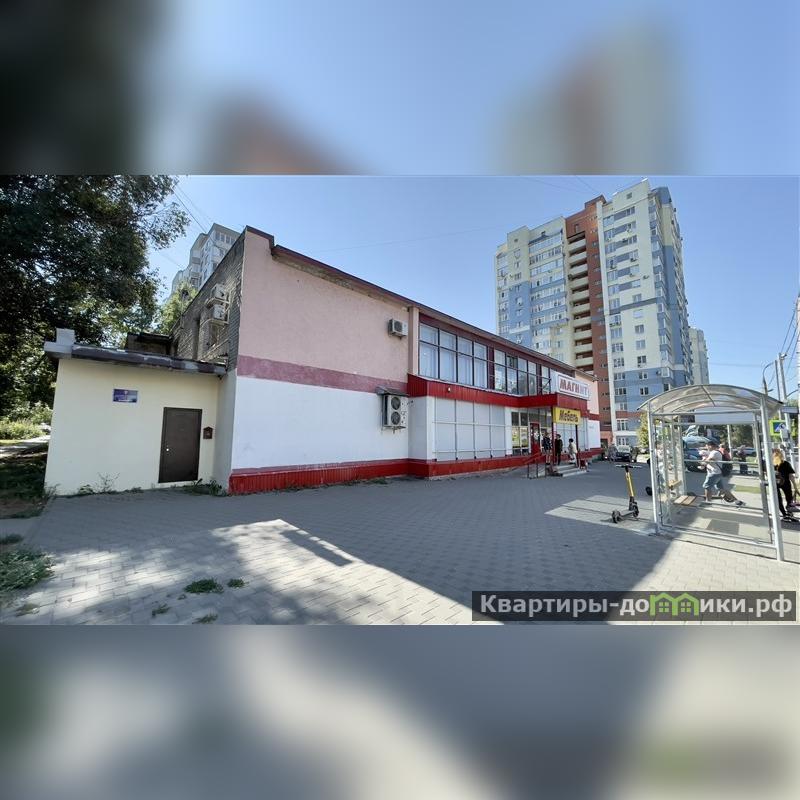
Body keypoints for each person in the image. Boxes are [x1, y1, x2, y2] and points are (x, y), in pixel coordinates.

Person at [701, 442, 745, 506]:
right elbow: (710, 461)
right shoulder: (714, 452)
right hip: (717, 473)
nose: (706, 448)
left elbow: (708, 461)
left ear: (710, 446)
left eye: (707, 446)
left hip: (714, 473)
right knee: (721, 489)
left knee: (707, 486)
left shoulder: (715, 452)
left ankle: (708, 502)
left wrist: (703, 460)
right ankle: (737, 501)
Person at [773, 449, 797, 519]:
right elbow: (791, 476)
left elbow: (790, 475)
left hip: (780, 483)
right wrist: (795, 485)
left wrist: (794, 485)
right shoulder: (784, 463)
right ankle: (787, 513)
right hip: (781, 483)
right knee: (785, 498)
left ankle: (786, 513)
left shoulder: (771, 464)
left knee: (783, 498)